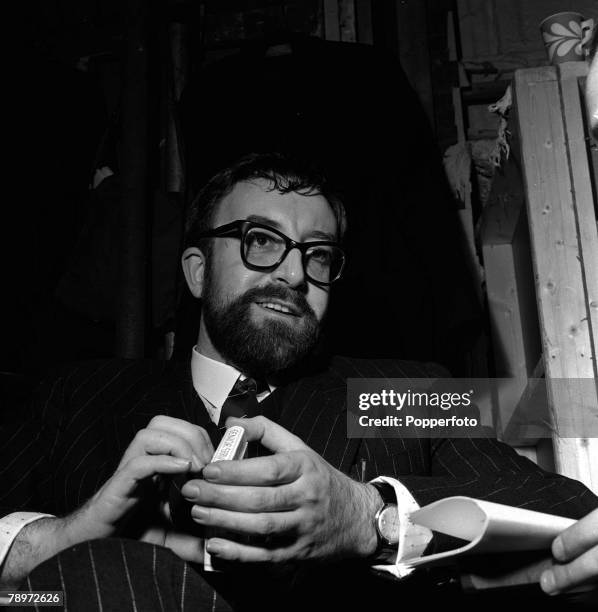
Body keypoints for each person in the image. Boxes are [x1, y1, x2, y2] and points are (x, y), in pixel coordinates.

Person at [0, 152, 596, 610]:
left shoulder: (400, 391)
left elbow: (573, 519)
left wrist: (374, 518)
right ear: (197, 271)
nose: (293, 273)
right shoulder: (75, 395)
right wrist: (64, 544)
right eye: (261, 241)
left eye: (318, 255)